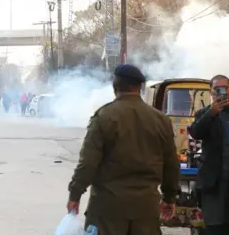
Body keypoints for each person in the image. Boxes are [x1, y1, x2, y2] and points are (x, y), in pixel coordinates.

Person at [66, 64, 180, 235]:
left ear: (115, 86)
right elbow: (171, 163)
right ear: (140, 88)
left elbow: (88, 163)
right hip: (146, 207)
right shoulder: (161, 120)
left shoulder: (104, 117)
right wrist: (169, 197)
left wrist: (75, 194)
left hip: (108, 208)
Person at [189, 74, 229, 235]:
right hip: (214, 182)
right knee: (214, 226)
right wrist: (211, 113)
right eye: (217, 89)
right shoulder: (204, 114)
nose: (221, 93)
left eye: (225, 89)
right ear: (211, 92)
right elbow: (196, 132)